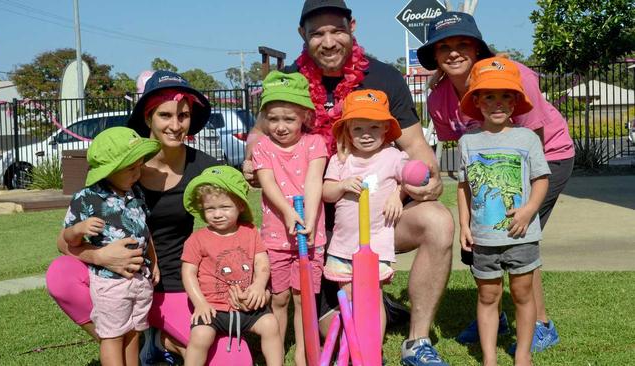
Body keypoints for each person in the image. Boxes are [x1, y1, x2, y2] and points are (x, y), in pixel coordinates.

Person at [244, 2, 455, 365]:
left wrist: (425, 182)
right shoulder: (290, 81)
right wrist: (251, 160)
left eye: (336, 30)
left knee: (438, 220)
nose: (328, 41)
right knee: (342, 331)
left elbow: (420, 152)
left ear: (352, 27)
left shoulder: (384, 79)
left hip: (377, 219)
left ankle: (417, 341)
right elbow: (258, 135)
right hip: (315, 228)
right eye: (317, 33)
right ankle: (368, 296)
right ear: (302, 36)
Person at [46, 70, 253, 365]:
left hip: (178, 285)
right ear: (148, 119)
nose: (175, 125)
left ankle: (160, 340)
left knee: (235, 360)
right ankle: (121, 338)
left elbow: (237, 227)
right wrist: (101, 256)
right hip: (120, 281)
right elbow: (63, 242)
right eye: (165, 115)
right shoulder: (122, 168)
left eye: (183, 115)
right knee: (61, 274)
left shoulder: (205, 167)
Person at [418, 11, 572, 351]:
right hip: (487, 165)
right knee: (487, 234)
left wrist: (526, 205)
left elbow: (535, 147)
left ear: (477, 50)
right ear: (435, 57)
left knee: (518, 239)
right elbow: (460, 155)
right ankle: (495, 312)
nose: (454, 53)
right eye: (444, 47)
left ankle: (542, 324)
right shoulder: (438, 98)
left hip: (546, 157)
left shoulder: (513, 76)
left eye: (463, 45)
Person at [456, 57, 551, 366]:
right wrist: (464, 225)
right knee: (487, 296)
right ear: (477, 101)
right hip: (484, 238)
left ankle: (522, 354)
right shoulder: (467, 142)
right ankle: (489, 358)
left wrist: (529, 210)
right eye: (489, 95)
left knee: (523, 294)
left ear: (515, 101)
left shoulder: (526, 139)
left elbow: (541, 180)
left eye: (505, 95)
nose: (498, 102)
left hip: (521, 236)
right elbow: (463, 186)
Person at [62, 127, 161, 365]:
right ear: (110, 170)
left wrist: (154, 262)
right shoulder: (86, 198)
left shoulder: (135, 192)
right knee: (112, 336)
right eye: (131, 168)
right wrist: (79, 230)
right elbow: (67, 238)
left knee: (133, 332)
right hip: (110, 283)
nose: (138, 173)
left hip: (140, 280)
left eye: (139, 166)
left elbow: (144, 231)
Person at [251, 70, 328, 365]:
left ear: (304, 118)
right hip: (276, 236)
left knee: (303, 297)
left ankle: (303, 353)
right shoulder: (263, 148)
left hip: (309, 233)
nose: (280, 127)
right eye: (273, 119)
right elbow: (267, 183)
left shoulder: (315, 144)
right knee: (279, 298)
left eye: (289, 119)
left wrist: (307, 218)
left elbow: (314, 181)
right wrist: (287, 212)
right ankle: (277, 354)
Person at [322, 89, 408, 341]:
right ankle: (355, 347)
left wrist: (398, 195)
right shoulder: (340, 159)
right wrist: (341, 186)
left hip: (376, 243)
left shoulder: (392, 156)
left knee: (372, 298)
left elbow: (412, 177)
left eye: (373, 127)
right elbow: (327, 192)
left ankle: (372, 349)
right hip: (342, 245)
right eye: (358, 129)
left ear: (385, 129)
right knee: (348, 299)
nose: (366, 135)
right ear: (347, 131)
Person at [181, 166, 283, 366]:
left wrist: (259, 285)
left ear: (241, 206)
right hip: (213, 309)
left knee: (271, 325)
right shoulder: (197, 239)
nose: (217, 214)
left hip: (248, 306)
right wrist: (200, 303)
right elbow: (189, 273)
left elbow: (261, 261)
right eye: (210, 209)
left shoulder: (250, 232)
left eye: (225, 207)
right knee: (200, 336)